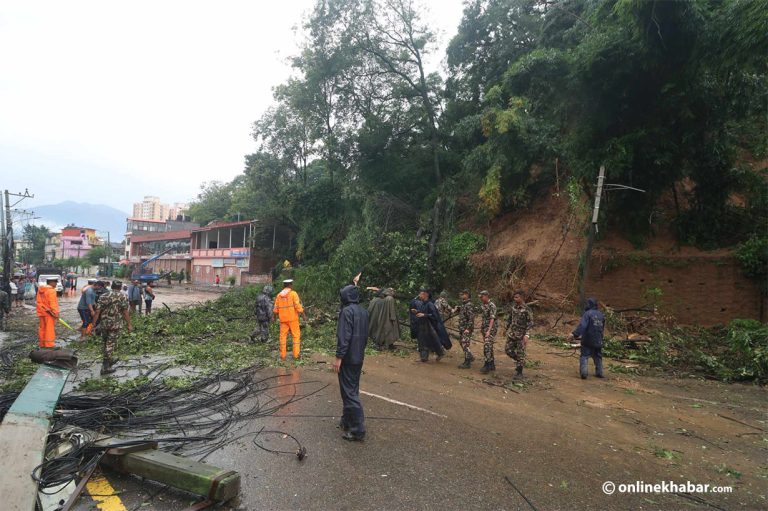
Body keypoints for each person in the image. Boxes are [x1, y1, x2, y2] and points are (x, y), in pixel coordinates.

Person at [333, 284, 370, 441]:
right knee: (352, 388)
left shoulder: (346, 312)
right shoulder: (363, 311)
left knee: (348, 392)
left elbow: (344, 336)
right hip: (358, 356)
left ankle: (357, 429)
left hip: (348, 358)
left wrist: (338, 358)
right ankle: (347, 420)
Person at [93, 280, 132, 375]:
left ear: (112, 287)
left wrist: (93, 325)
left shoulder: (103, 296)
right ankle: (105, 368)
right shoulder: (123, 296)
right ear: (120, 287)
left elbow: (97, 311)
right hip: (115, 325)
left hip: (104, 324)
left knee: (106, 343)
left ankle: (108, 361)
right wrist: (129, 324)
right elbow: (125, 311)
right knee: (110, 345)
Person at [570, 298, 605, 379]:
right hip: (598, 340)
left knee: (584, 356)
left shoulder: (587, 314)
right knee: (598, 356)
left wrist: (574, 334)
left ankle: (584, 373)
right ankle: (599, 372)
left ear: (589, 305)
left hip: (588, 339)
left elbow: (582, 326)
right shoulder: (601, 315)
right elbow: (602, 328)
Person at [273, 279, 307, 360]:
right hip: (293, 319)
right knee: (296, 336)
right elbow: (297, 306)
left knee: (283, 338)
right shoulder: (293, 294)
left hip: (283, 320)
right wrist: (303, 315)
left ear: (284, 286)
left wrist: (274, 318)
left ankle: (283, 356)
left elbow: (275, 309)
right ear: (290, 285)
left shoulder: (279, 295)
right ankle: (296, 355)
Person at [505, 290, 534, 378]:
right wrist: (505, 328)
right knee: (508, 350)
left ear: (522, 298)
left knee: (521, 353)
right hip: (512, 334)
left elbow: (530, 323)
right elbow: (510, 318)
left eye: (517, 297)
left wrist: (527, 335)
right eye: (514, 297)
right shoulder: (513, 307)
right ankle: (520, 361)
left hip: (521, 335)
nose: (515, 299)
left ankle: (519, 371)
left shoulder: (527, 309)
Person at [413, 288, 447, 363]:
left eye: (421, 294)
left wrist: (424, 315)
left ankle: (440, 353)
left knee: (433, 340)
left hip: (429, 326)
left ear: (426, 295)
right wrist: (417, 311)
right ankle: (424, 358)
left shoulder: (430, 304)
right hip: (422, 325)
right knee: (422, 341)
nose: (419, 295)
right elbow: (423, 312)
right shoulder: (423, 303)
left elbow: (435, 316)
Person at [36, 277, 59, 348]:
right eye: (55, 282)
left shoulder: (40, 290)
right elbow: (52, 303)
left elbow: (39, 301)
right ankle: (49, 345)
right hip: (49, 313)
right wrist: (56, 313)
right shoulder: (51, 291)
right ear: (51, 282)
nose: (56, 284)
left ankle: (42, 344)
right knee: (49, 329)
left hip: (42, 312)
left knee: (42, 328)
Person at [478, 290, 498, 374]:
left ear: (486, 296)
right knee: (489, 346)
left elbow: (492, 319)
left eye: (482, 297)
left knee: (487, 346)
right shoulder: (483, 305)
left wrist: (489, 331)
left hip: (491, 329)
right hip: (485, 328)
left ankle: (487, 365)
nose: (481, 299)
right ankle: (492, 364)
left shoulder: (492, 305)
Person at [457, 289, 477, 369]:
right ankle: (470, 357)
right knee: (462, 342)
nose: (462, 295)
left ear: (467, 295)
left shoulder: (469, 305)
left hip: (466, 328)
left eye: (463, 294)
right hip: (462, 328)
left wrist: (468, 328)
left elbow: (471, 318)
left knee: (465, 343)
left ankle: (467, 362)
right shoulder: (464, 304)